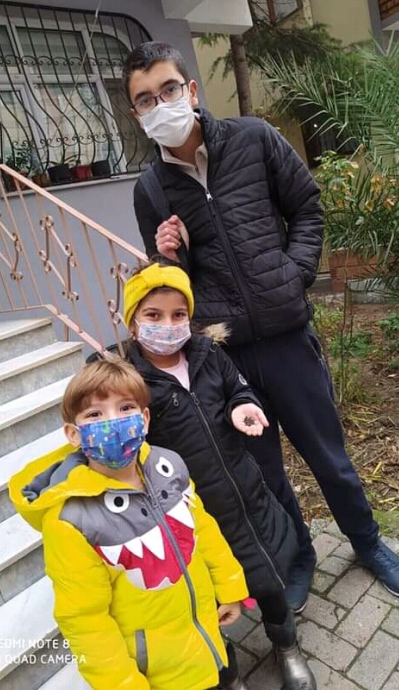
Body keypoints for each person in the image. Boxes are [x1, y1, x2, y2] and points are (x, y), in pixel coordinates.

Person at [123, 41, 399, 614]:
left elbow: (306, 207)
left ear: (190, 90)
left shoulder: (254, 139)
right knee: (263, 471)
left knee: (327, 455)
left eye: (168, 89)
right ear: (136, 114)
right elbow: (172, 288)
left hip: (286, 339)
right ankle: (298, 557)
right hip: (224, 357)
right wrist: (167, 258)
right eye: (145, 99)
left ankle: (367, 542)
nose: (159, 104)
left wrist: (295, 273)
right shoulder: (151, 190)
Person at [119, 261, 316, 690]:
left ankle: (287, 648)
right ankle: (227, 674)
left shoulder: (209, 354)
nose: (167, 325)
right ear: (132, 321)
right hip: (188, 514)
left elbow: (237, 389)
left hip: (244, 495)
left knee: (267, 579)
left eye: (178, 314)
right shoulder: (127, 382)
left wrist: (242, 404)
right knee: (205, 599)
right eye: (153, 315)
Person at [9, 357, 250, 690]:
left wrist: (230, 586)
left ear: (145, 419)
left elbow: (202, 529)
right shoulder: (70, 522)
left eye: (125, 408)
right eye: (95, 414)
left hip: (204, 636)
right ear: (74, 434)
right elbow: (85, 621)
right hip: (156, 674)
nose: (114, 422)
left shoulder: (168, 466)